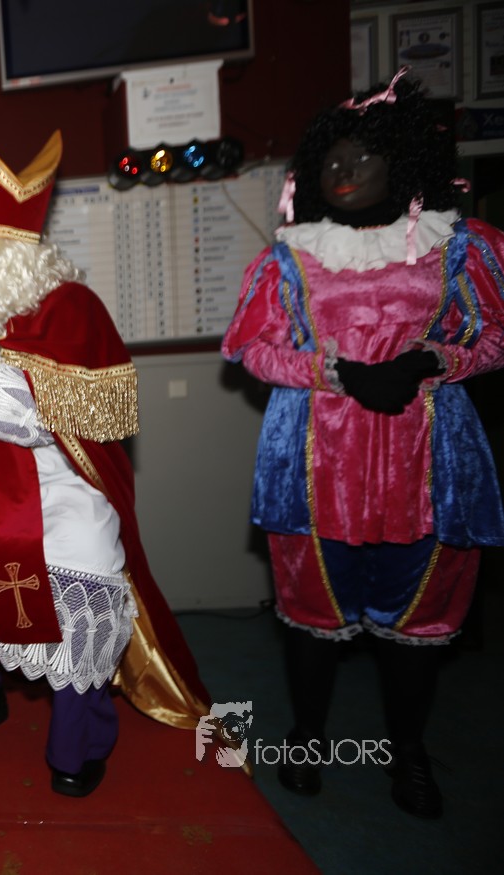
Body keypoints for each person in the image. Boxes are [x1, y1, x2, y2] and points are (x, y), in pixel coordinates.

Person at [0, 117, 209, 798]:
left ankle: (78, 739)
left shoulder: (71, 307)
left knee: (79, 558)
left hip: (59, 477)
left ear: (5, 251)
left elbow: (51, 418)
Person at [222, 69, 504, 819]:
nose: (342, 170)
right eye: (330, 160)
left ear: (401, 162)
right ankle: (307, 738)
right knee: (313, 615)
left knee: (415, 621)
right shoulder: (290, 257)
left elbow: (493, 336)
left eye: (361, 156)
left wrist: (430, 361)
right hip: (318, 460)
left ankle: (408, 751)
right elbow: (251, 349)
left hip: (427, 459)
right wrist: (339, 372)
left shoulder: (457, 247)